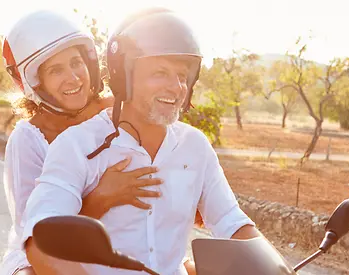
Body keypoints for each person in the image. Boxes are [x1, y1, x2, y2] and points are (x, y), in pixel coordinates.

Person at [20, 7, 266, 275]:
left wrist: (278, 269)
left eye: (182, 76)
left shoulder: (195, 146)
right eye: (160, 73)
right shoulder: (77, 146)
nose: (175, 87)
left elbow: (232, 222)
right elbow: (41, 241)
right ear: (124, 76)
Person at [0, 10, 177, 275]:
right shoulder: (28, 138)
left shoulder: (121, 111)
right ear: (36, 82)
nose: (73, 77)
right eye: (56, 70)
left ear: (90, 64)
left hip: (124, 244)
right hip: (49, 254)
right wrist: (103, 197)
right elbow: (35, 235)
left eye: (76, 63)